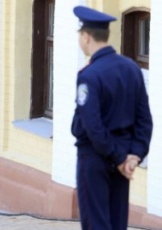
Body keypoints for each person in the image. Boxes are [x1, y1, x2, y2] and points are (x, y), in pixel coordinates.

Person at [71, 6, 153, 230]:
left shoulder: (89, 75)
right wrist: (134, 155)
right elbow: (145, 120)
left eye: (80, 35)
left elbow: (92, 126)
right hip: (124, 156)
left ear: (86, 37)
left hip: (96, 158)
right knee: (117, 223)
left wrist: (118, 159)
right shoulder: (131, 69)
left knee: (96, 223)